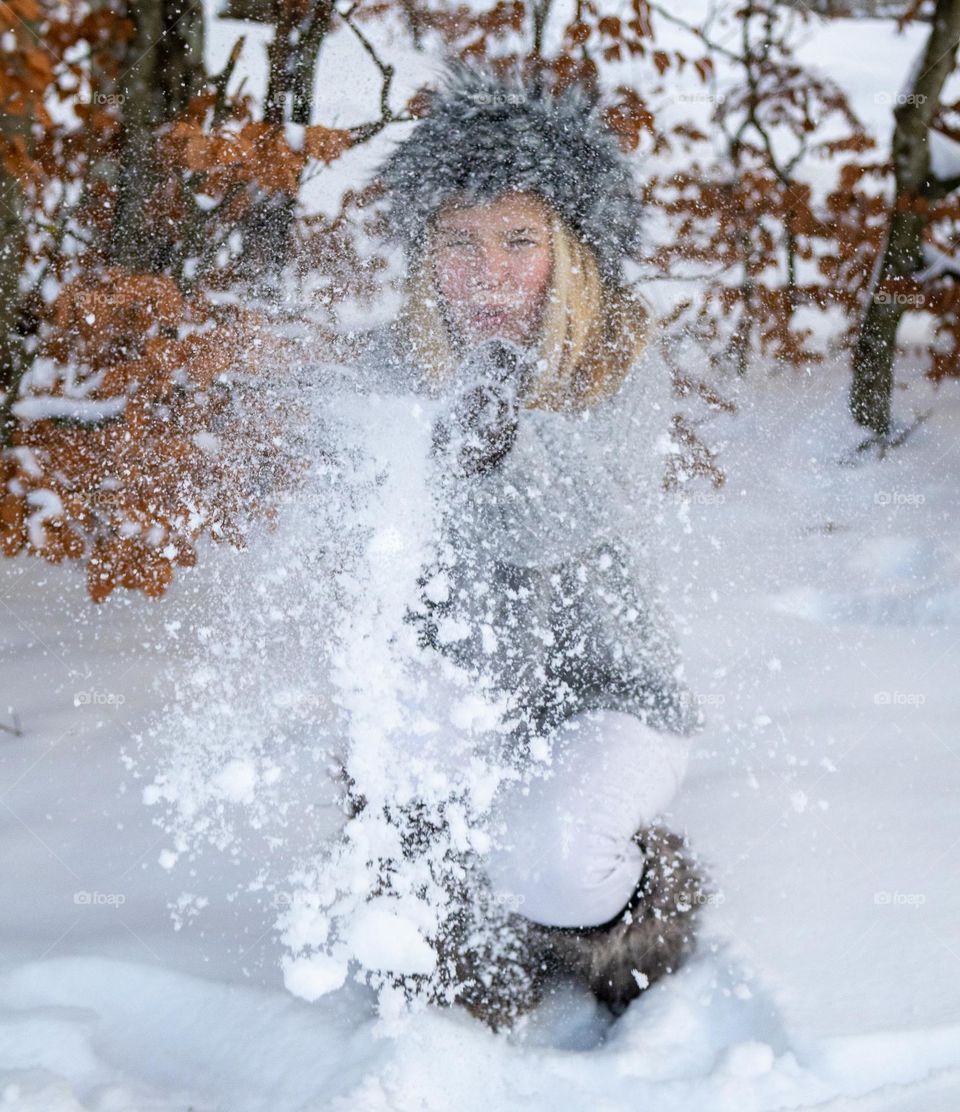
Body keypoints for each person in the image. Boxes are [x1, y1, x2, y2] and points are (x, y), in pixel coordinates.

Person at [339, 58, 710, 1027]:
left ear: (570, 250)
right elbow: (346, 508)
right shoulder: (394, 362)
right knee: (405, 831)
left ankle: (638, 889)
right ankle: (443, 972)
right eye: (458, 242)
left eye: (517, 239)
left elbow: (563, 520)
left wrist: (503, 435)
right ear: (426, 254)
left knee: (558, 867)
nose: (487, 273)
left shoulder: (622, 356)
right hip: (456, 677)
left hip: (611, 687)